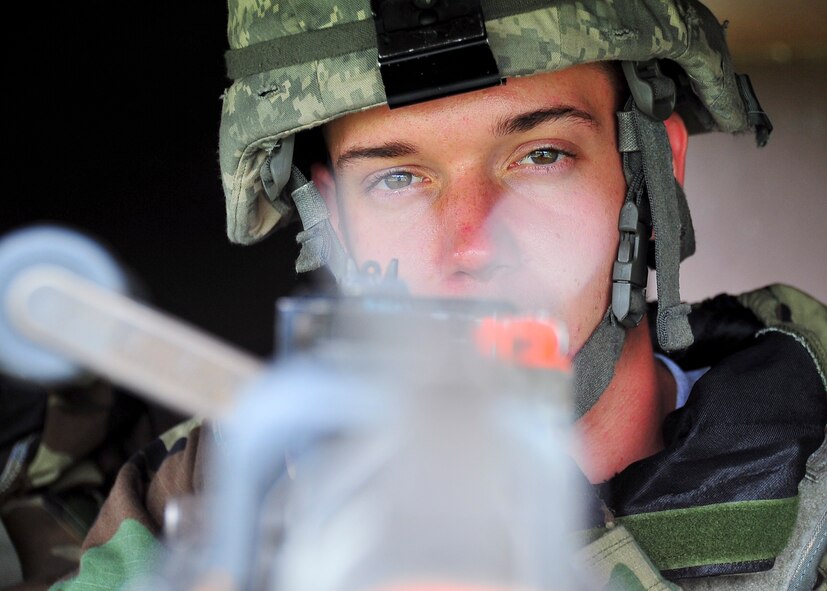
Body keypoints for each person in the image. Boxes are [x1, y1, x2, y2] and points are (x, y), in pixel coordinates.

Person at [43, 1, 827, 590]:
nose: (471, 245)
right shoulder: (202, 504)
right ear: (335, 223)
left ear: (655, 172)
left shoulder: (803, 462)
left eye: (539, 155)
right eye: (397, 179)